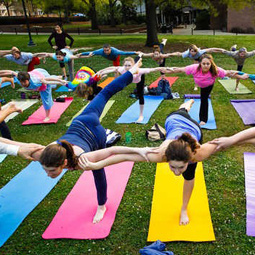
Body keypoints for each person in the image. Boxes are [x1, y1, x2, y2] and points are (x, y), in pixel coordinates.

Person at [27, 60, 142, 224]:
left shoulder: (83, 160)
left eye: (51, 171)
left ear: (65, 163)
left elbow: (115, 155)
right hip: (80, 122)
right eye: (47, 170)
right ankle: (131, 73)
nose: (48, 174)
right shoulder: (46, 154)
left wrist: (131, 73)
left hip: (95, 135)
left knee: (98, 171)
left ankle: (102, 206)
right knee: (103, 95)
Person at [76, 99, 219, 225]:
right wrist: (96, 165)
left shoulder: (196, 152)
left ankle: (184, 208)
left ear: (189, 159)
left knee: (189, 175)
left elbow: (230, 141)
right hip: (174, 119)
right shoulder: (159, 154)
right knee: (182, 111)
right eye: (172, 167)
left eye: (180, 167)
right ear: (167, 159)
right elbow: (124, 155)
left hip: (192, 128)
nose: (176, 172)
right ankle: (185, 106)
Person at [162, 54, 249, 126]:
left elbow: (230, 74)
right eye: (204, 63)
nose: (206, 66)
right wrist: (168, 70)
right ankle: (203, 118)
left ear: (211, 64)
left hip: (208, 85)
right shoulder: (194, 68)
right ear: (200, 63)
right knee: (203, 98)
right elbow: (180, 69)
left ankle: (203, 119)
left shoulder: (216, 70)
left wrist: (241, 76)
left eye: (208, 64)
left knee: (204, 99)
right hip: (200, 83)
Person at [96, 56, 164, 123]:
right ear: (123, 65)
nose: (127, 67)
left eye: (129, 65)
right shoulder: (122, 69)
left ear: (133, 66)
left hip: (138, 80)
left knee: (140, 94)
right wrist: (101, 71)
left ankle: (141, 115)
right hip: (128, 79)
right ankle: (139, 56)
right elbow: (113, 68)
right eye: (126, 65)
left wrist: (165, 68)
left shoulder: (139, 70)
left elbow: (154, 69)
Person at [0, 69, 67, 122]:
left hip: (43, 77)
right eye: (21, 82)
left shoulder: (36, 81)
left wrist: (61, 81)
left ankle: (47, 116)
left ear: (28, 80)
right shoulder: (19, 77)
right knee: (51, 85)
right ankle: (58, 76)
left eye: (24, 82)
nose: (23, 84)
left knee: (46, 98)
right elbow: (9, 72)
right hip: (36, 73)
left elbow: (48, 80)